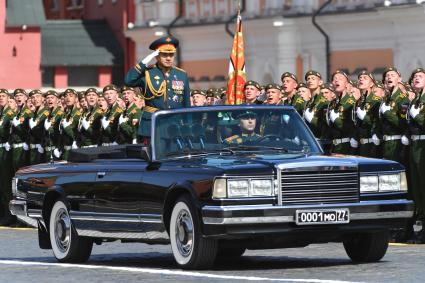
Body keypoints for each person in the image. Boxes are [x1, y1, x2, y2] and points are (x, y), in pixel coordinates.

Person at [124, 36, 190, 139]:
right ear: (157, 56)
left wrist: (187, 126)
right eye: (164, 55)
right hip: (153, 124)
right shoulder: (147, 73)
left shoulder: (181, 74)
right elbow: (128, 81)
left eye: (171, 55)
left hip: (175, 125)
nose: (168, 58)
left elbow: (186, 104)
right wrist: (145, 61)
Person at [407, 68, 425, 243]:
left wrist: (417, 116)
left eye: (420, 76)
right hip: (415, 145)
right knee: (418, 188)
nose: (416, 79)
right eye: (414, 77)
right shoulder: (415, 100)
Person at [379, 67, 410, 164]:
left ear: (399, 79)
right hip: (385, 143)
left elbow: (403, 123)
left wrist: (388, 113)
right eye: (387, 76)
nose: (389, 77)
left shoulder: (402, 98)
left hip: (396, 143)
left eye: (392, 75)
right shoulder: (385, 99)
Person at [354, 70, 382, 158]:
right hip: (360, 145)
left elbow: (378, 122)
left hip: (372, 144)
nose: (361, 79)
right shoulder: (358, 102)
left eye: (365, 78)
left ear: (371, 84)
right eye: (360, 78)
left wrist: (365, 117)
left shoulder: (376, 100)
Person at [328, 70, 356, 154]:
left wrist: (337, 120)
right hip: (333, 147)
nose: (336, 80)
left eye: (340, 78)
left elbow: (353, 125)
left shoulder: (351, 101)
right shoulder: (332, 103)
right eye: (334, 79)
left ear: (347, 84)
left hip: (346, 146)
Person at [0, 89, 16, 225]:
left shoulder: (9, 113)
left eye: (3, 96)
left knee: (6, 183)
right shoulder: (2, 113)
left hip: (6, 150)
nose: (1, 98)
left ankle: (9, 215)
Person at [10, 89, 32, 172]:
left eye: (21, 95)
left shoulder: (27, 112)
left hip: (23, 147)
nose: (18, 97)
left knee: (22, 172)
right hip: (15, 146)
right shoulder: (17, 113)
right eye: (16, 96)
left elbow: (30, 131)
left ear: (26, 98)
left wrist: (18, 125)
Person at [28, 89, 49, 165]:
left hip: (42, 148)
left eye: (37, 96)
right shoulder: (34, 113)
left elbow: (45, 132)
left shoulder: (46, 112)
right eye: (33, 97)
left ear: (43, 98)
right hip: (33, 149)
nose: (35, 99)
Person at [59, 89, 81, 160]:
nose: (68, 98)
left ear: (76, 99)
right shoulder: (65, 114)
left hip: (74, 150)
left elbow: (78, 134)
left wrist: (67, 127)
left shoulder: (78, 114)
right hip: (65, 150)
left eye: (71, 96)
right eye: (66, 96)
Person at [43, 90, 64, 161]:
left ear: (58, 100)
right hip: (47, 150)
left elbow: (61, 133)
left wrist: (59, 147)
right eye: (48, 98)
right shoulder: (46, 114)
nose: (49, 100)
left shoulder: (60, 114)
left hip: (56, 150)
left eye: (52, 97)